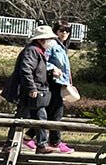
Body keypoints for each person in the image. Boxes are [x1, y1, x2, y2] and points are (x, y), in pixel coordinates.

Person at [5, 25, 59, 154]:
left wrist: (50, 74)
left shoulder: (37, 51)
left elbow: (36, 71)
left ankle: (37, 144)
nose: (51, 42)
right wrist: (31, 88)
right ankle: (36, 145)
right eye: (49, 39)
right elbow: (26, 70)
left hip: (35, 90)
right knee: (31, 117)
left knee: (32, 117)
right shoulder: (32, 51)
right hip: (31, 91)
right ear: (42, 40)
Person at [24, 21, 74, 154]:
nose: (64, 34)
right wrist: (53, 69)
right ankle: (55, 142)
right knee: (56, 113)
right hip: (51, 83)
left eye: (67, 31)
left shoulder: (62, 46)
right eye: (61, 31)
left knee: (51, 113)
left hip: (59, 83)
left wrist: (68, 82)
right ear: (55, 31)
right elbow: (43, 62)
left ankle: (30, 136)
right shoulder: (51, 45)